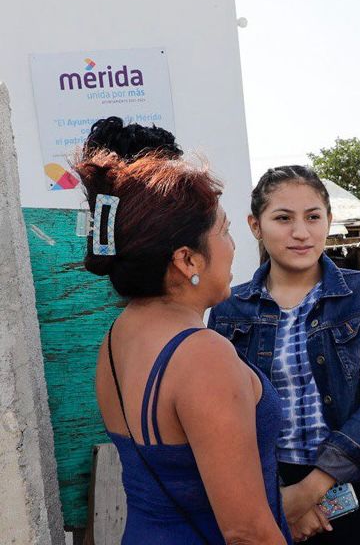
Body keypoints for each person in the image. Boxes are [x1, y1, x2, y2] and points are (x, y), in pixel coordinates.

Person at [75, 145, 292, 544]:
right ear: (187, 260)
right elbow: (247, 533)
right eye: (224, 231)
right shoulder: (202, 355)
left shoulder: (117, 336)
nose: (233, 246)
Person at [208, 165, 360, 544]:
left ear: (328, 220)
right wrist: (279, 499)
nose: (301, 232)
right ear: (255, 226)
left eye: (313, 217)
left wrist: (310, 490)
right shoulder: (229, 310)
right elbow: (226, 417)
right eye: (283, 218)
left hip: (355, 482)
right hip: (269, 491)